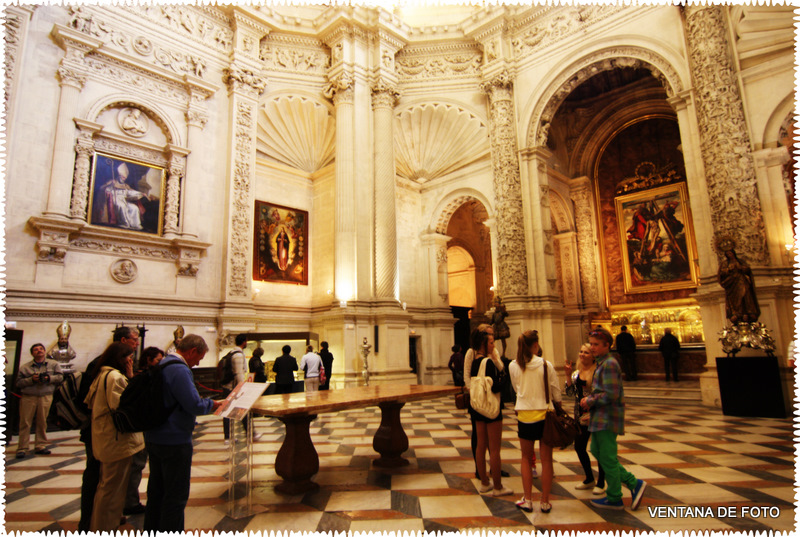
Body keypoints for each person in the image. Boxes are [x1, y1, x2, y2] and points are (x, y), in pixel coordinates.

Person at [143, 334, 223, 532]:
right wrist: (214, 404)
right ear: (192, 351)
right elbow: (193, 404)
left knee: (157, 492)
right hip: (174, 439)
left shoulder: (162, 364)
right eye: (199, 358)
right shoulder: (179, 370)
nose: (197, 364)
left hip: (155, 436)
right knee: (175, 496)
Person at [77, 326, 140, 531]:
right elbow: (127, 405)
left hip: (101, 433)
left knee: (105, 483)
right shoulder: (113, 376)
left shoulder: (100, 368)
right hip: (111, 437)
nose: (135, 348)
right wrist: (131, 378)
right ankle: (97, 524)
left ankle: (98, 521)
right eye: (132, 346)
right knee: (106, 484)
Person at [580, 328, 646, 511]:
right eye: (591, 344)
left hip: (607, 417)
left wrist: (589, 400)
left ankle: (617, 495)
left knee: (607, 456)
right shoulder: (602, 363)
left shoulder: (609, 363)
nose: (592, 348)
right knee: (597, 450)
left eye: (595, 345)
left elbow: (610, 393)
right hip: (600, 416)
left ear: (607, 345)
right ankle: (632, 484)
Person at [509, 330, 560, 513]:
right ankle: (545, 501)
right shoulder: (546, 365)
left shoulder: (514, 366)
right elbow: (555, 390)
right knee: (546, 460)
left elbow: (517, 388)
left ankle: (528, 499)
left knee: (525, 458)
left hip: (525, 416)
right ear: (536, 345)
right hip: (545, 416)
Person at [469, 326, 512, 498]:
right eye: (492, 343)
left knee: (480, 445)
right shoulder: (488, 363)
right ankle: (498, 486)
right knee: (494, 449)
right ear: (483, 344)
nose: (494, 346)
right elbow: (495, 386)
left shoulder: (475, 362)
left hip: (478, 407)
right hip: (491, 408)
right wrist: (504, 379)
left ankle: (484, 483)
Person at [123, 346, 164, 517]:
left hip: (140, 427)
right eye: (158, 360)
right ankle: (130, 502)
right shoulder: (145, 378)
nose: (161, 364)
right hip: (139, 427)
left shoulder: (139, 377)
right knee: (136, 464)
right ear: (149, 360)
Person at [565, 343, 605, 495]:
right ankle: (589, 478)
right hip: (580, 414)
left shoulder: (598, 372)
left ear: (593, 355)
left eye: (586, 352)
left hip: (596, 414)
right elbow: (569, 393)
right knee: (579, 446)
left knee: (598, 449)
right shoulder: (577, 373)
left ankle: (601, 482)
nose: (582, 355)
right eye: (581, 352)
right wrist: (568, 375)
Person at [15, 343, 64, 458]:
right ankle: (22, 447)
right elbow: (18, 383)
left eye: (41, 349)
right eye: (36, 350)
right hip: (29, 397)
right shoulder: (25, 367)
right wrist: (31, 380)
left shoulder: (53, 364)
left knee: (42, 421)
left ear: (44, 351)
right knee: (25, 422)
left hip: (46, 396)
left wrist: (49, 378)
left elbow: (60, 377)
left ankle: (40, 445)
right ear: (32, 353)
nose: (39, 351)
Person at [718, 247, 760, 323]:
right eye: (727, 254)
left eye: (730, 253)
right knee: (736, 300)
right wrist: (729, 269)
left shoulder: (740, 261)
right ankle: (737, 312)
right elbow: (721, 273)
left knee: (746, 295)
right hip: (732, 284)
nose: (729, 255)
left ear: (733, 253)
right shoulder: (725, 263)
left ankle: (749, 311)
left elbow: (747, 269)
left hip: (742, 280)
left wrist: (741, 268)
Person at [223, 334, 252, 443]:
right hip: (234, 388)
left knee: (229, 412)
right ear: (244, 342)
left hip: (228, 387)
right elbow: (239, 373)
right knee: (241, 410)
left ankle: (228, 436)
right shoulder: (239, 355)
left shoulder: (231, 352)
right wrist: (242, 388)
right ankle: (248, 433)